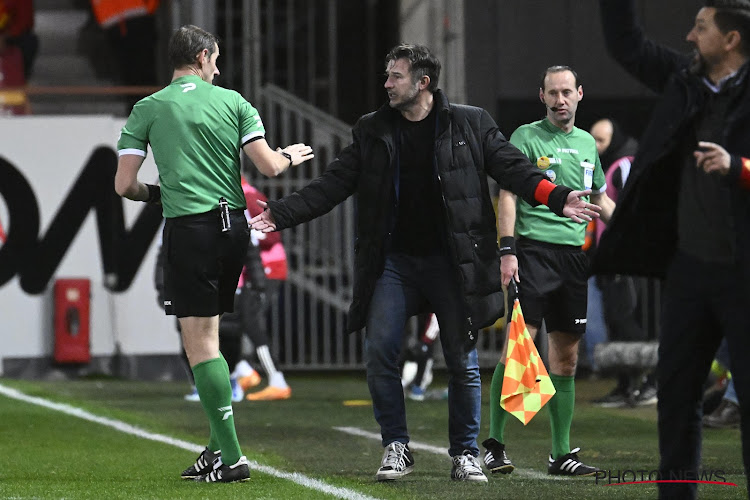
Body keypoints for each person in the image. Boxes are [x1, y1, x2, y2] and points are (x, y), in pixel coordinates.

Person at [249, 44, 600, 482]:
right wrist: (281, 213)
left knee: (462, 358)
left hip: (453, 263)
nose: (387, 84)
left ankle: (465, 453)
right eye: (388, 75)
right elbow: (332, 184)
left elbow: (514, 170)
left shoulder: (470, 123)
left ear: (423, 83)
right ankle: (396, 445)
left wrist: (559, 196)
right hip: (393, 262)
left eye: (395, 76)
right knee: (379, 351)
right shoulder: (372, 129)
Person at [113, 25, 313, 483]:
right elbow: (268, 165)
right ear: (202, 57)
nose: (218, 68)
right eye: (216, 60)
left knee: (201, 345)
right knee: (213, 339)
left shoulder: (148, 108)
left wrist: (158, 195)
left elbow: (124, 185)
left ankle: (234, 457)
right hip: (233, 229)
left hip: (190, 230)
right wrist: (288, 155)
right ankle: (214, 448)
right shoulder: (234, 102)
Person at [595, 1, 750, 498]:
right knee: (676, 403)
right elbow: (627, 45)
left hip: (743, 274)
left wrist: (739, 168)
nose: (688, 36)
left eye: (701, 28)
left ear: (731, 40)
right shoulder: (686, 81)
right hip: (688, 271)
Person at [483, 66, 615, 477]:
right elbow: (508, 196)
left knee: (567, 358)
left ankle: (561, 454)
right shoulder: (524, 137)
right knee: (518, 348)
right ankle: (494, 445)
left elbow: (600, 199)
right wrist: (507, 251)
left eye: (566, 92)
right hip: (532, 254)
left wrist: (634, 234)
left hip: (574, 258)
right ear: (542, 96)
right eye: (552, 93)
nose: (560, 100)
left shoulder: (587, 143)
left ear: (580, 94)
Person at [588, 119, 656, 408]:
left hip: (624, 260)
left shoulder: (625, 164)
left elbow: (634, 209)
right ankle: (626, 384)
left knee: (628, 320)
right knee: (616, 321)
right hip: (608, 258)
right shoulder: (608, 167)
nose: (596, 146)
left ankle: (651, 381)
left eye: (601, 141)